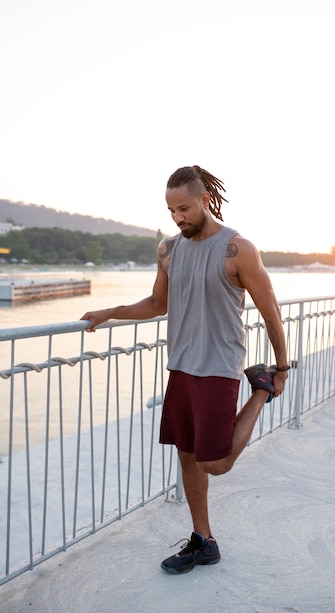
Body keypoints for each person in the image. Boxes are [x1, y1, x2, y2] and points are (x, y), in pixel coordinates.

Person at [81, 165, 289, 574]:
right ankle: (202, 540)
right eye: (171, 210)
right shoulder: (168, 250)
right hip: (181, 365)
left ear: (205, 200)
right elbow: (158, 304)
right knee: (189, 457)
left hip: (219, 366)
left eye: (185, 208)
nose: (177, 217)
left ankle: (259, 389)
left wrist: (280, 368)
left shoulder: (237, 248)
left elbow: (271, 310)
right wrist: (111, 312)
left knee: (217, 462)